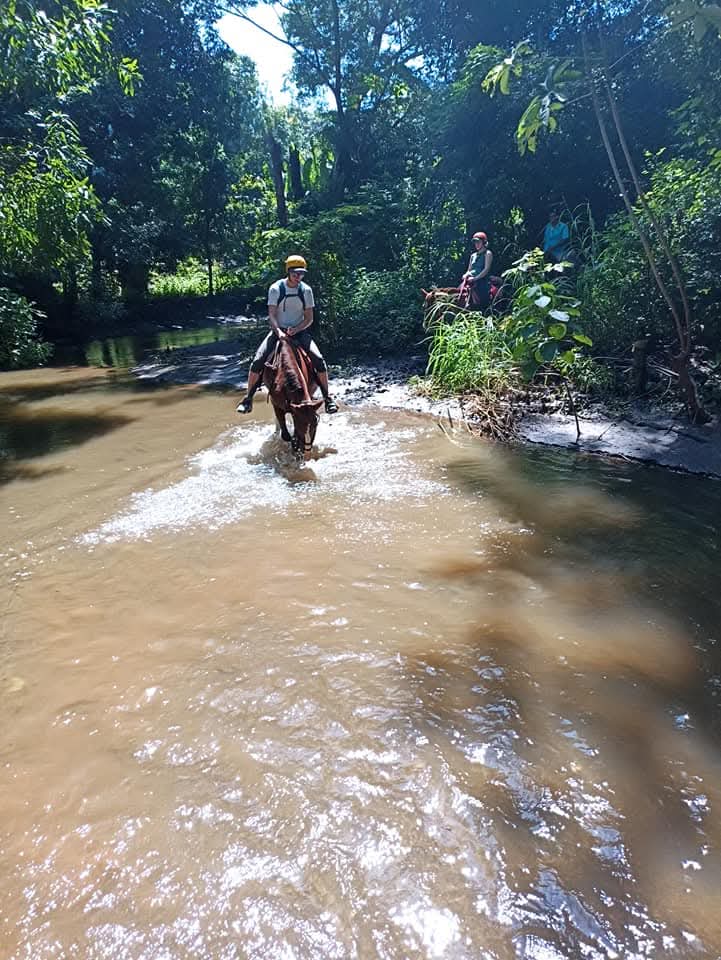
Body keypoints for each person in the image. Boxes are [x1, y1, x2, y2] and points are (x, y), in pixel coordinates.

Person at [237, 255, 338, 414]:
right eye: (296, 273)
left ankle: (328, 398)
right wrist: (279, 332)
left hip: (299, 332)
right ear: (288, 272)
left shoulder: (306, 290)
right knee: (257, 361)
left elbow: (309, 318)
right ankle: (248, 398)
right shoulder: (276, 288)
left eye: (302, 274)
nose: (299, 277)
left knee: (319, 360)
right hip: (278, 331)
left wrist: (297, 329)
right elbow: (272, 315)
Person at [461, 231, 493, 308]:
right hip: (470, 279)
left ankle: (483, 308)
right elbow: (469, 269)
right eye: (475, 242)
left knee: (482, 295)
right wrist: (465, 275)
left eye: (478, 242)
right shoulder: (473, 255)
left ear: (484, 242)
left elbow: (486, 269)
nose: (476, 244)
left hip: (482, 279)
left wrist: (475, 278)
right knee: (460, 292)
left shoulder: (488, 253)